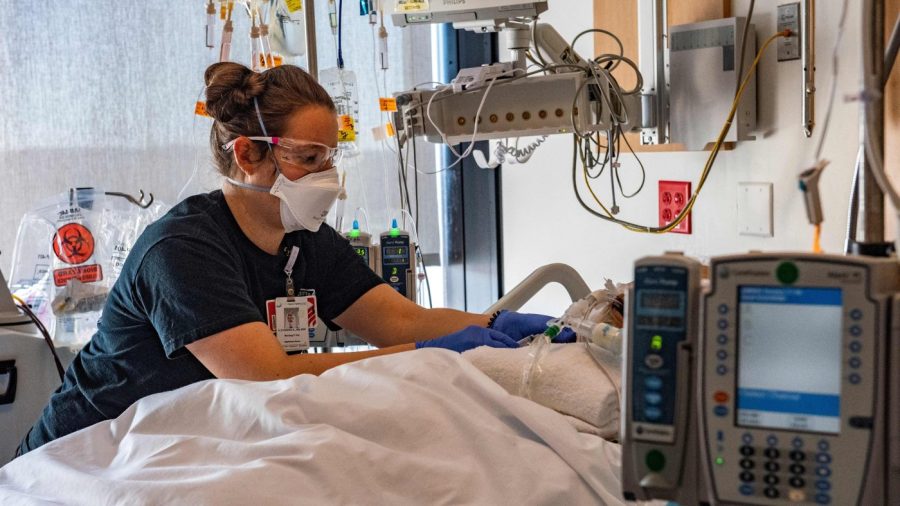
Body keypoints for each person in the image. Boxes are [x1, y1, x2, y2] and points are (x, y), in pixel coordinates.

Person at [17, 62, 570, 455]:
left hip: (182, 445)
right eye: (310, 159)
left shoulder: (302, 239)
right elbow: (267, 375)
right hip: (90, 453)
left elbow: (400, 320)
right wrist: (426, 354)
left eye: (331, 159)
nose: (329, 179)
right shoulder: (183, 250)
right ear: (249, 153)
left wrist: (503, 328)